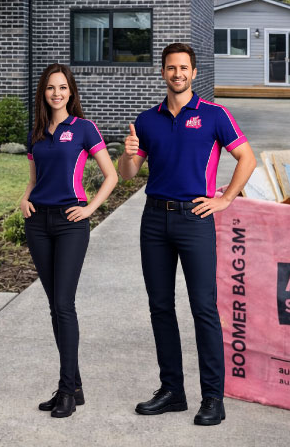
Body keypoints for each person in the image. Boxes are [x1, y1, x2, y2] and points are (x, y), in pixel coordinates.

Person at [118, 42, 256, 426]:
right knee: (160, 307)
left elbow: (247, 157)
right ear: (162, 72)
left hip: (195, 220)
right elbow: (129, 174)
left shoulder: (214, 115)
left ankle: (213, 397)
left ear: (194, 73)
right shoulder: (147, 121)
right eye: (170, 68)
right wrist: (128, 153)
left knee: (203, 309)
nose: (177, 74)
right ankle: (172, 391)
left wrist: (225, 199)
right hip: (154, 221)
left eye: (183, 68)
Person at [20, 63, 118, 418]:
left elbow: (111, 175)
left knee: (64, 304)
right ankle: (73, 387)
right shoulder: (36, 133)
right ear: (43, 93)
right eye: (50, 88)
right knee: (54, 306)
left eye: (62, 87)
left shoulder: (84, 129)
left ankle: (66, 389)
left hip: (69, 224)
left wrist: (90, 208)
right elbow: (34, 178)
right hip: (38, 223)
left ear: (71, 92)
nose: (56, 93)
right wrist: (25, 197)